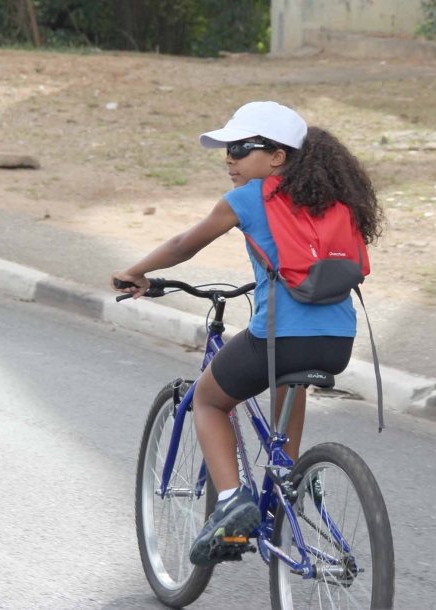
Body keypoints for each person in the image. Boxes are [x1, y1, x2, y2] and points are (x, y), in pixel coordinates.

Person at [111, 101, 383, 566]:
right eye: (226, 151)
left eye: (240, 148)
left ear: (277, 156)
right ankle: (288, 478)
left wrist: (136, 272)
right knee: (288, 377)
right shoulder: (338, 202)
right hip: (338, 341)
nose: (229, 159)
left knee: (208, 400)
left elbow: (183, 245)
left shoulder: (248, 199)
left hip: (277, 339)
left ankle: (232, 499)